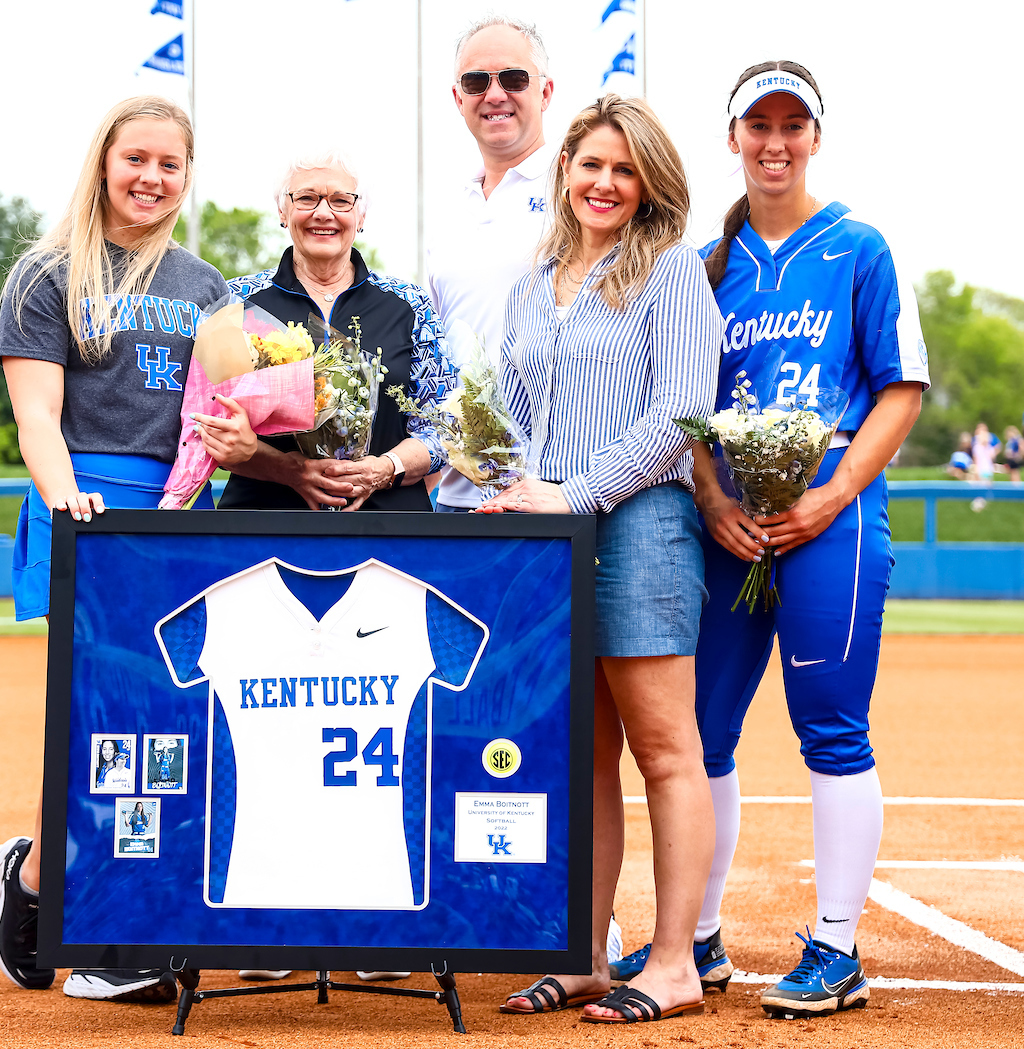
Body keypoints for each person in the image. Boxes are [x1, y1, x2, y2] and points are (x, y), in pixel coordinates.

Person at [613, 62, 929, 1022]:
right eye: (760, 125)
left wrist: (833, 494)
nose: (776, 142)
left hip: (829, 511)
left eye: (794, 125)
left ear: (816, 137)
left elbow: (901, 389)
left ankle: (836, 946)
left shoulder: (860, 247)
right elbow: (686, 406)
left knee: (830, 725)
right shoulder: (705, 262)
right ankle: (697, 936)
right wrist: (708, 496)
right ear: (734, 138)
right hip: (728, 517)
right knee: (700, 728)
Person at [0, 95, 257, 1004]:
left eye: (170, 165)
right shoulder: (45, 271)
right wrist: (66, 497)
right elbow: (36, 414)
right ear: (104, 161)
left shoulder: (208, 286)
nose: (151, 178)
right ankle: (94, 916)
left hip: (178, 511)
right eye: (135, 158)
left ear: (189, 177)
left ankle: (61, 884)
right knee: (95, 714)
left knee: (169, 716)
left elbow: (225, 409)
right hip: (89, 505)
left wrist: (230, 446)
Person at [480, 94, 723, 1025]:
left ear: (649, 182)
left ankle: (670, 963)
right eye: (591, 165)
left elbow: (681, 412)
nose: (605, 183)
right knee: (584, 754)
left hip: (638, 524)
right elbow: (510, 415)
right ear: (565, 170)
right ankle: (584, 952)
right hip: (551, 534)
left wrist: (574, 496)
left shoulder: (669, 272)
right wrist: (501, 476)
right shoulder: (533, 280)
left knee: (666, 751)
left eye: (625, 169)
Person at [210, 150, 456, 513]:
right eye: (307, 198)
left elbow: (444, 426)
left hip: (390, 528)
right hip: (264, 524)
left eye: (341, 200)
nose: (323, 213)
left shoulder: (409, 303)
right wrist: (290, 470)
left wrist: (385, 469)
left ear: (361, 215)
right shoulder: (237, 301)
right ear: (283, 211)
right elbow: (211, 422)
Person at [426, 15, 554, 513]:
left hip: (553, 490)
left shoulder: (581, 191)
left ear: (545, 91)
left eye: (513, 78)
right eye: (476, 82)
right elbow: (436, 354)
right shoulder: (451, 207)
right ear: (458, 98)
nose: (494, 94)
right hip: (458, 497)